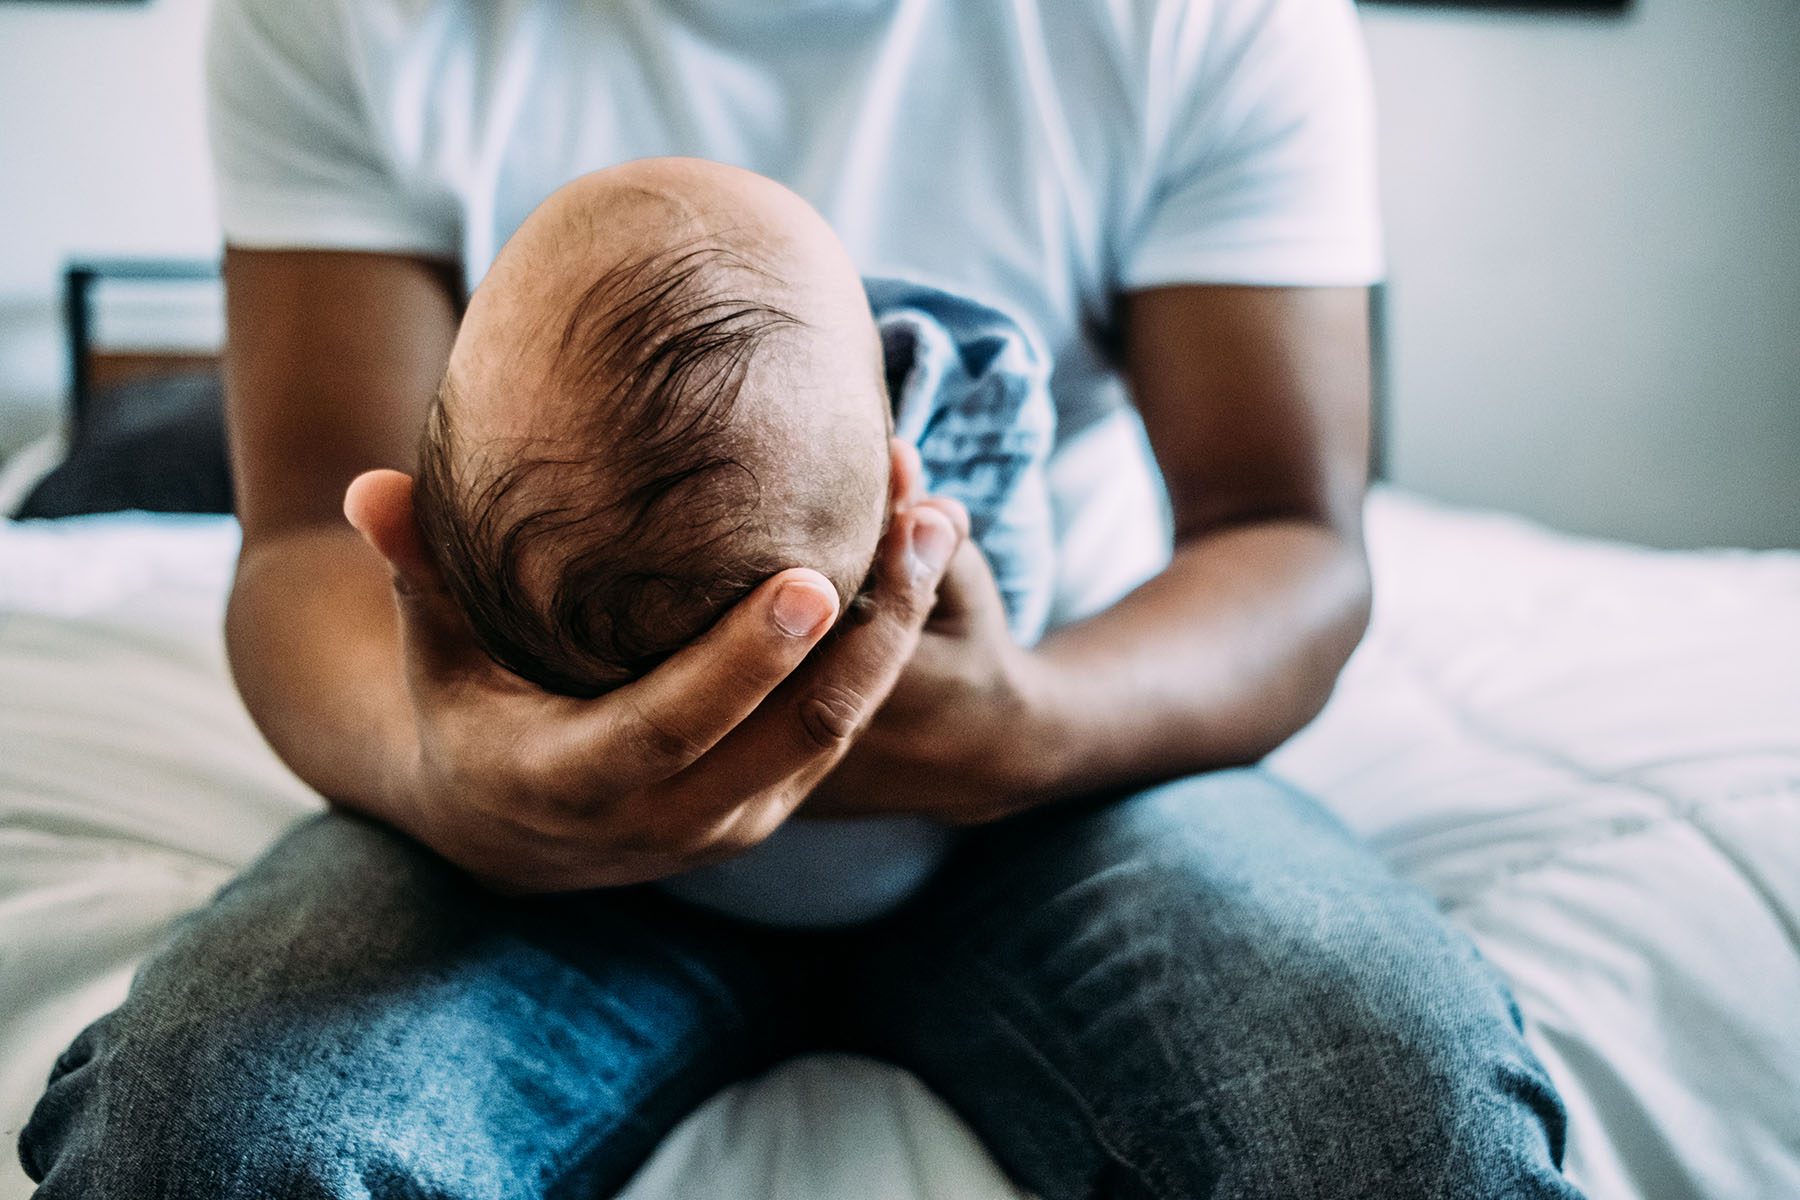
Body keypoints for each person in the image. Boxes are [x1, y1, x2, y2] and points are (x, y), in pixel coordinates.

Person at [20, 0, 1588, 1196]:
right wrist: (458, 777)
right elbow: (311, 532)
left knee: (1406, 1118)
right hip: (537, 820)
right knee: (204, 1134)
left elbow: (1289, 535)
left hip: (1070, 777)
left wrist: (1030, 726)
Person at [404, 155, 1060, 924]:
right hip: (951, 872)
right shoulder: (974, 429)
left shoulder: (513, 605)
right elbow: (1021, 593)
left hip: (610, 899)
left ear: (434, 539)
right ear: (901, 486)